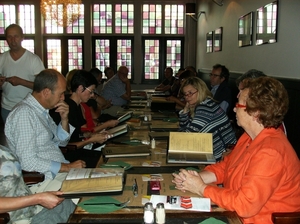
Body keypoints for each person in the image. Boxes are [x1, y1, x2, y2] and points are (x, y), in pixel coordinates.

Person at [173, 77, 300, 224]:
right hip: (233, 214)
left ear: (255, 113)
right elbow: (226, 166)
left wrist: (201, 187)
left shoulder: (271, 152)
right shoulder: (249, 137)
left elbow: (245, 205)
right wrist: (195, 178)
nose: (234, 109)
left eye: (238, 105)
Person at [5, 69, 85, 193]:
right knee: (98, 190)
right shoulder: (24, 114)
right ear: (46, 92)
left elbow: (62, 143)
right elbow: (28, 162)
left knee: (107, 180)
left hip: (58, 174)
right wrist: (66, 167)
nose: (63, 98)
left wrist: (64, 119)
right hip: (45, 181)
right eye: (61, 93)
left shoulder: (42, 111)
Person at [51, 69, 118, 167]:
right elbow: (67, 144)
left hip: (78, 150)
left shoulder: (76, 105)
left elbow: (78, 134)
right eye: (90, 91)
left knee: (110, 153)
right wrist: (90, 139)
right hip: (69, 156)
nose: (91, 95)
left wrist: (94, 135)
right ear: (80, 88)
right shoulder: (68, 108)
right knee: (107, 159)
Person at [0, 145, 75, 224]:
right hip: (16, 219)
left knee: (68, 202)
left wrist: (37, 198)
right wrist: (37, 199)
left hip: (32, 208)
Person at [178, 77, 236, 160]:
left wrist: (180, 134)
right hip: (217, 154)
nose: (187, 97)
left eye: (190, 93)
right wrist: (185, 110)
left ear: (200, 90)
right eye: (185, 94)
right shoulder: (205, 103)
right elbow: (185, 128)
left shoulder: (205, 107)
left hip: (223, 157)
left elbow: (187, 136)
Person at [0, 24, 45, 123]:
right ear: (6, 39)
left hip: (29, 107)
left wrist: (21, 82)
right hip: (7, 108)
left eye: (16, 36)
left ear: (22, 38)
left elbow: (43, 87)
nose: (13, 40)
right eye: (9, 37)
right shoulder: (1, 59)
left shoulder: (34, 59)